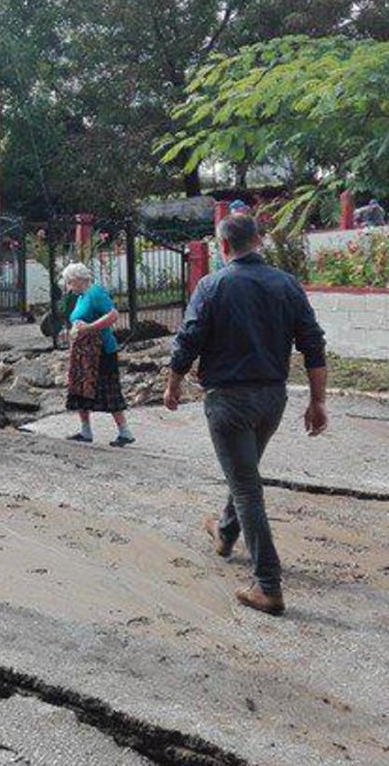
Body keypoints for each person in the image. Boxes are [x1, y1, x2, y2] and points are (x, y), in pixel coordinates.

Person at [164, 213, 328, 616]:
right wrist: (318, 401)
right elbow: (313, 343)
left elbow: (188, 340)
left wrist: (172, 384)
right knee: (245, 471)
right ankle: (223, 533)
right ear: (258, 240)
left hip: (229, 402)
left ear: (222, 247)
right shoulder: (286, 284)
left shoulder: (212, 285)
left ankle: (267, 585)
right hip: (272, 399)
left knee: (246, 488)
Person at [60, 263, 134, 447]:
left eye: (70, 282)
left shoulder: (95, 293)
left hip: (101, 351)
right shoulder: (81, 297)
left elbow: (113, 315)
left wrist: (89, 328)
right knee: (80, 388)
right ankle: (86, 431)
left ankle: (125, 432)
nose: (68, 286)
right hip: (84, 353)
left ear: (78, 279)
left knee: (108, 390)